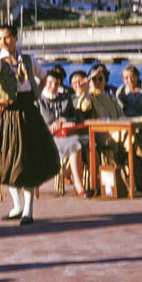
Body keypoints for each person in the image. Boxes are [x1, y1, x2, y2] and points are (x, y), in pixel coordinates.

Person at [0, 24, 61, 225]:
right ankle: (17, 207)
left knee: (28, 161)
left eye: (6, 38)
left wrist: (36, 93)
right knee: (8, 162)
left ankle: (28, 211)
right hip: (9, 114)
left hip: (28, 114)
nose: (3, 42)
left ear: (15, 38)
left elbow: (43, 77)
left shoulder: (29, 60)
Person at [38, 69, 87, 198]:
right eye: (50, 83)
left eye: (56, 84)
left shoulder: (65, 98)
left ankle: (98, 183)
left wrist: (62, 120)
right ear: (44, 83)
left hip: (68, 133)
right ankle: (78, 184)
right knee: (75, 143)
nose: (53, 86)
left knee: (90, 140)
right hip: (48, 138)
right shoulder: (39, 101)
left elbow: (74, 118)